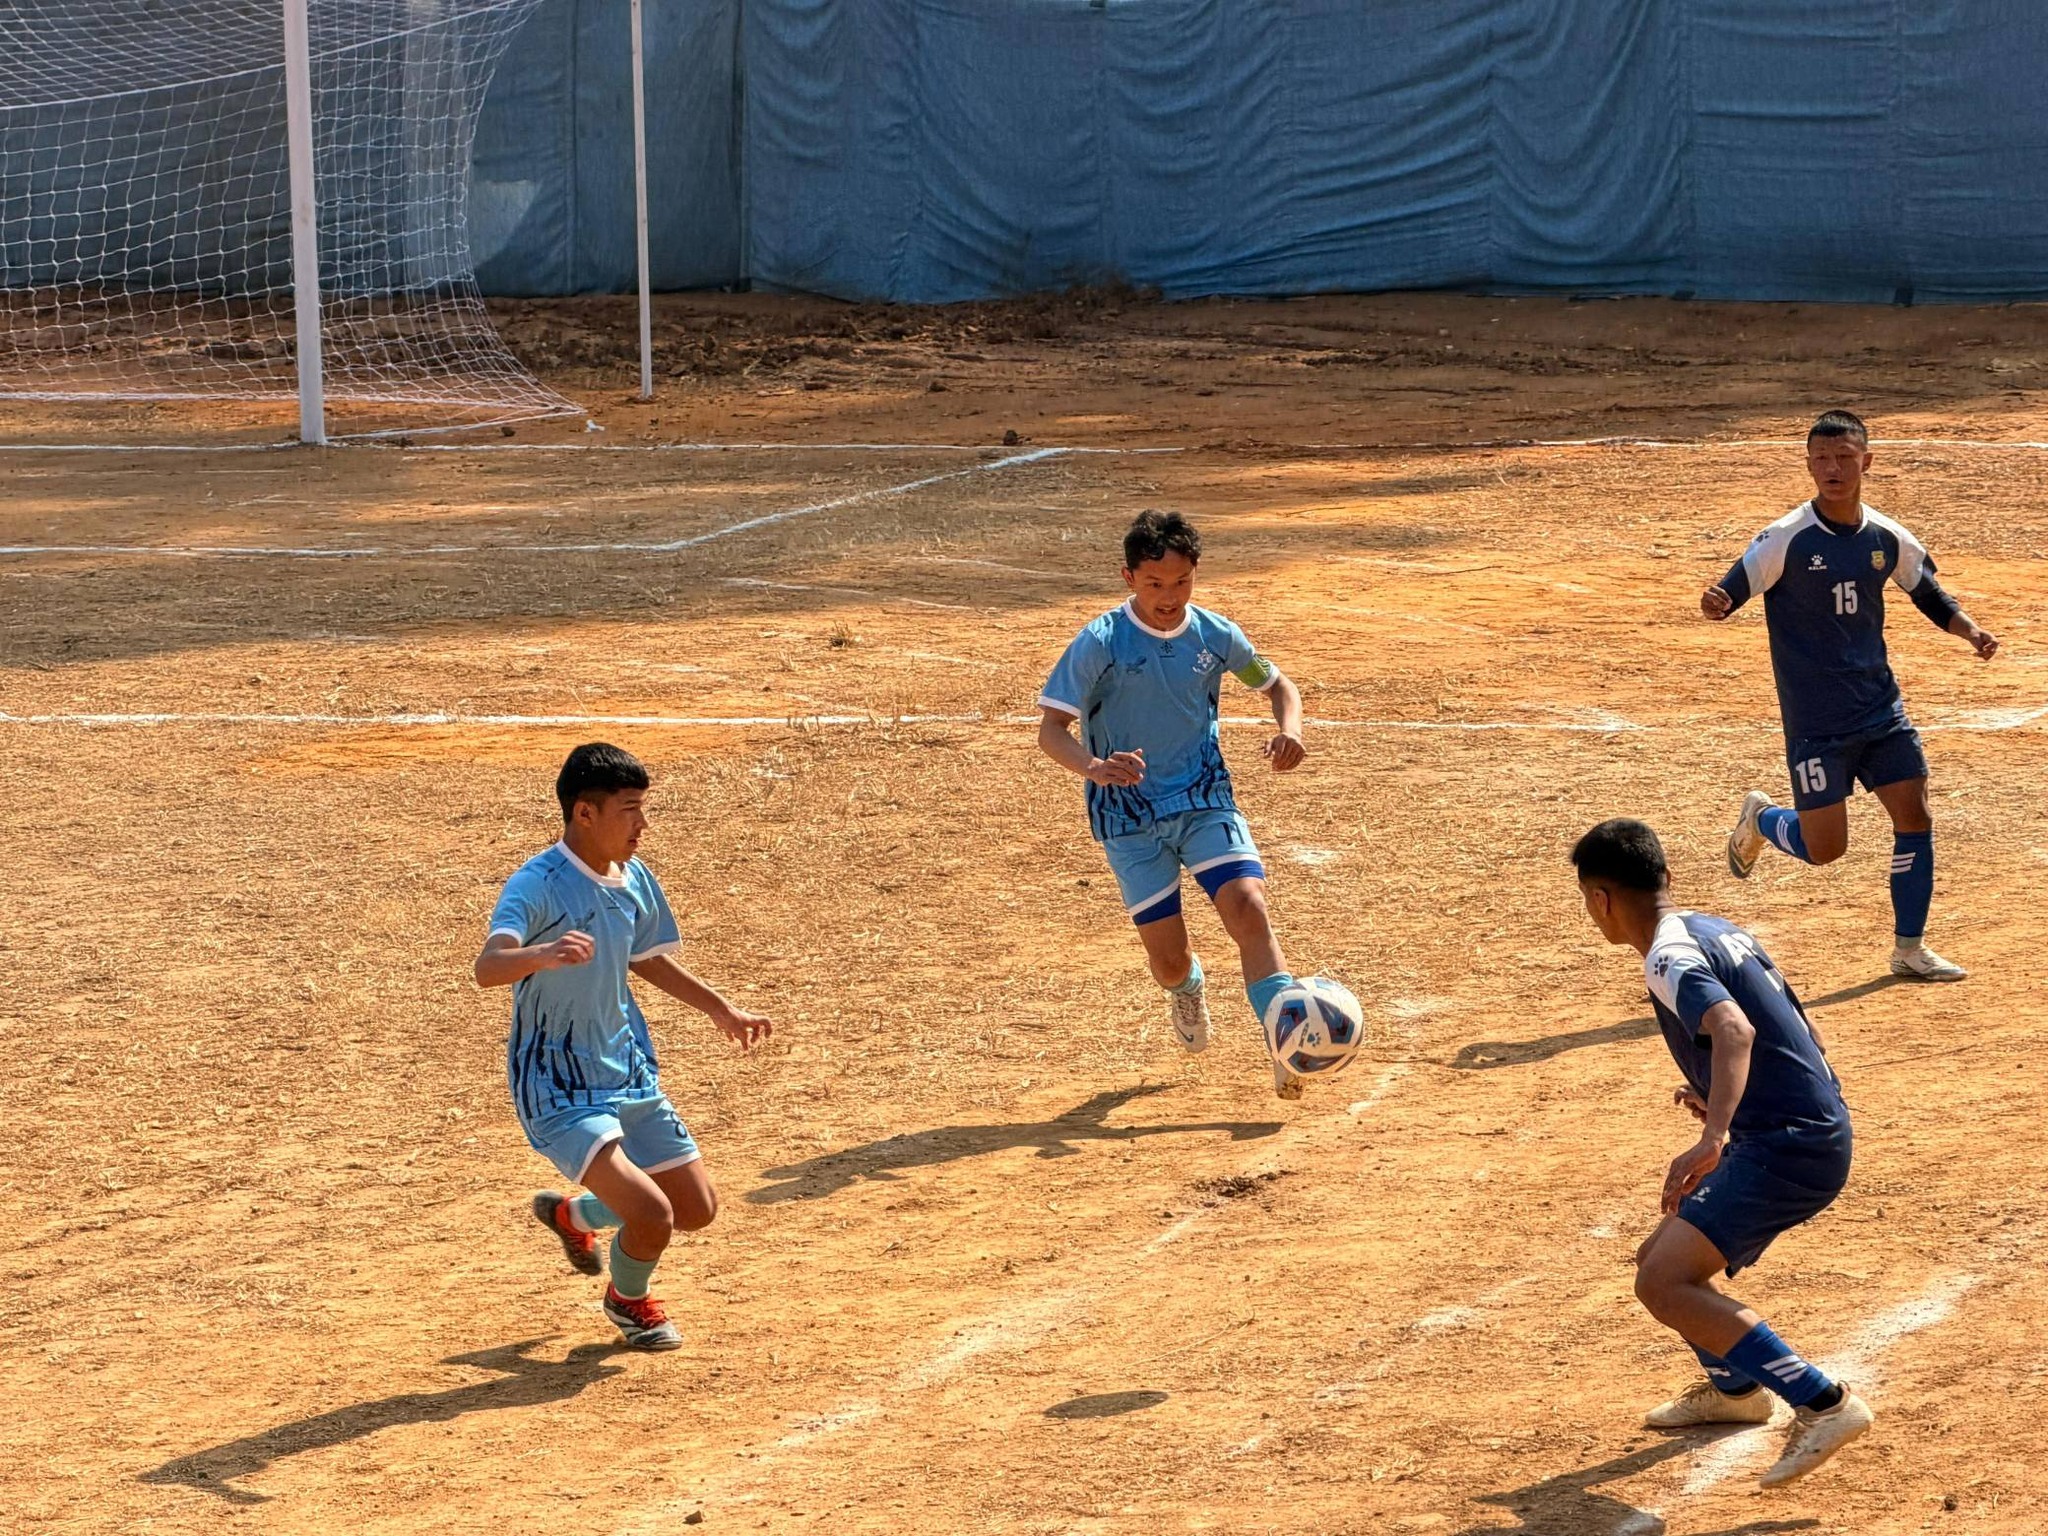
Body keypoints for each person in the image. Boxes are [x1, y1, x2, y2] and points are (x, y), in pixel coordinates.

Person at [1572, 818, 1871, 1489]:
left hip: (1787, 1144)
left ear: (1600, 899)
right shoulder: (1711, 928)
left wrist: (1714, 1135)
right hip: (1803, 1126)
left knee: (1663, 1283)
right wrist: (1722, 1096)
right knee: (1657, 1258)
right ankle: (1736, 1390)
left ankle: (1824, 1403)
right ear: (1666, 877)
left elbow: (1733, 1029)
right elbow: (1798, 1027)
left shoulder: (1665, 958)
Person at [474, 743, 771, 1350]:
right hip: (558, 1082)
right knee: (652, 1215)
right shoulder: (537, 884)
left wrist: (721, 1008)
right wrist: (544, 953)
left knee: (694, 1208)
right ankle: (628, 1302)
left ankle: (572, 1215)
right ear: (585, 813)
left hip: (626, 1069)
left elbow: (646, 959)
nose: (642, 823)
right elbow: (488, 967)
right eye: (630, 809)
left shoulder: (632, 877)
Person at [1705, 410, 1998, 981]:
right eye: (1821, 458)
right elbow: (1730, 590)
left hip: (1881, 709)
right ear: (1809, 464)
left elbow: (1928, 593)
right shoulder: (1785, 538)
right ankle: (1763, 820)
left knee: (1914, 816)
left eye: (1843, 457)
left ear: (1867, 460)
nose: (1832, 468)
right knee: (1824, 850)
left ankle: (1909, 949)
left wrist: (1970, 631)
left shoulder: (1887, 536)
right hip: (1817, 723)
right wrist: (1716, 603)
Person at [1037, 509, 1313, 1098]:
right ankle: (1187, 988)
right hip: (1128, 817)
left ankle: (1284, 1040)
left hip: (1204, 798)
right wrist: (1094, 767)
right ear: (1129, 577)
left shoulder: (1215, 635)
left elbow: (1278, 685)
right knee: (1168, 961)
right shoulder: (1100, 642)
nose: (1169, 597)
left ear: (1196, 574)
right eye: (1155, 583)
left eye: (1182, 581)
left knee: (1249, 908)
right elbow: (1051, 731)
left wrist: (1290, 729)